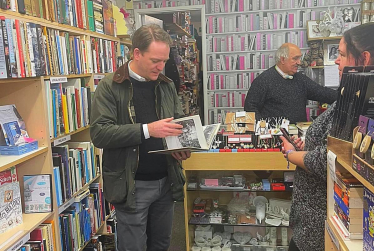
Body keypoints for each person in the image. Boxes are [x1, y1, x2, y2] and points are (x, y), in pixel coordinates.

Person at [90, 24, 191, 251]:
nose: (161, 67)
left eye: (164, 60)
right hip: (132, 185)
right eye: (155, 60)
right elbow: (100, 134)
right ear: (136, 53)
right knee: (133, 246)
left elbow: (177, 122)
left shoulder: (166, 85)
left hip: (166, 180)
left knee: (162, 244)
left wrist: (183, 144)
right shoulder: (110, 86)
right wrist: (147, 130)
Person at [281, 22, 374, 251]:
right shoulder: (351, 94)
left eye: (342, 54)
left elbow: (329, 159)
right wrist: (308, 145)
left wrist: (292, 154)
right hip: (316, 218)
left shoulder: (362, 103)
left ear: (364, 58)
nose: (336, 60)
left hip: (324, 223)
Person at [244, 43, 337, 123]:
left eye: (299, 58)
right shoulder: (263, 80)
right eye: (295, 58)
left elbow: (322, 93)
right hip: (275, 138)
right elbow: (250, 108)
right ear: (283, 59)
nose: (299, 62)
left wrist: (344, 94)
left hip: (298, 139)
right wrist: (264, 130)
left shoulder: (301, 79)